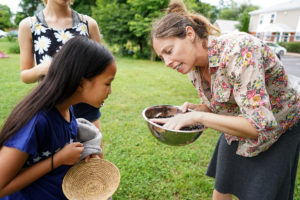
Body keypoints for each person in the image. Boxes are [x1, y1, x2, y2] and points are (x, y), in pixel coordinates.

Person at [150, 1, 300, 200]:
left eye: (169, 51)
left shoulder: (239, 51)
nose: (167, 63)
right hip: (237, 125)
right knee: (222, 188)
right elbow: (227, 104)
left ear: (189, 34)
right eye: (162, 57)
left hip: (279, 129)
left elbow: (258, 125)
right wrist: (200, 109)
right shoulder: (194, 68)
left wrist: (200, 116)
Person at [0, 36, 116, 199]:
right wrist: (57, 160)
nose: (110, 91)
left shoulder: (67, 110)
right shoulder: (36, 122)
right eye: (107, 83)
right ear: (81, 83)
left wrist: (84, 154)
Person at [17, 0, 105, 157]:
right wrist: (43, 68)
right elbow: (25, 75)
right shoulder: (28, 26)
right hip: (52, 108)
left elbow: (101, 67)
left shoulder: (88, 24)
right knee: (59, 166)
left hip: (85, 107)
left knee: (94, 166)